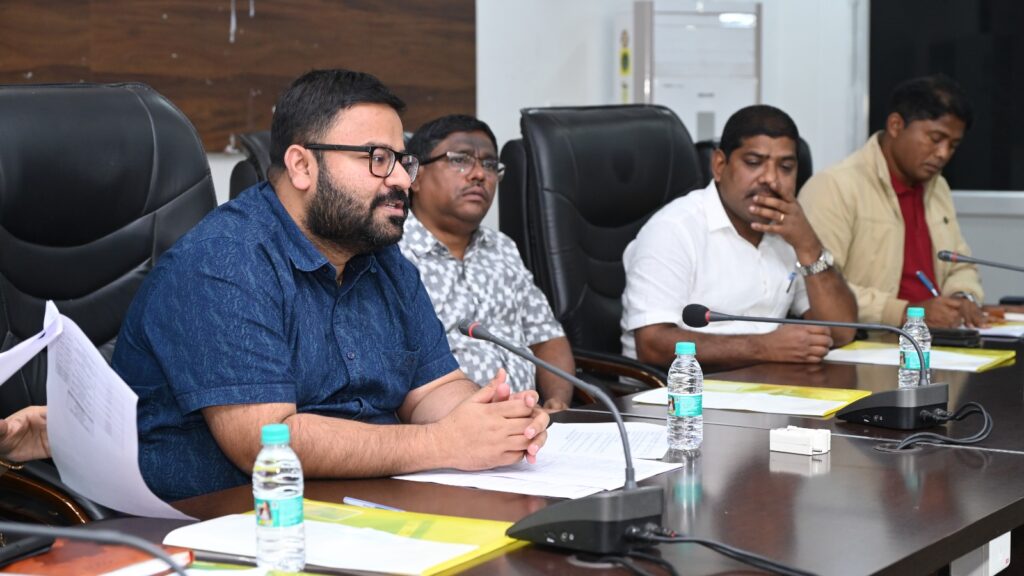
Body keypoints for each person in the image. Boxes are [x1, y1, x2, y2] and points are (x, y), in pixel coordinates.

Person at [111, 69, 549, 501]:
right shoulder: (225, 261)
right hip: (228, 515)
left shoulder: (383, 258)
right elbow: (266, 441)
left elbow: (433, 389)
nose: (401, 180)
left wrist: (494, 421)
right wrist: (443, 443)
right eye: (378, 158)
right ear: (302, 166)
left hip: (364, 503)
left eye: (403, 161)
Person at [620, 105, 857, 371]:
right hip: (678, 388)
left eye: (786, 167)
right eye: (754, 163)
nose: (771, 179)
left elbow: (841, 332)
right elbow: (652, 344)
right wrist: (764, 347)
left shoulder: (789, 232)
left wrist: (808, 245)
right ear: (719, 165)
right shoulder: (674, 229)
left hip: (765, 383)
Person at [400, 115, 574, 411]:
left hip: (529, 423)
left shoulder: (502, 248)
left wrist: (557, 402)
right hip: (446, 426)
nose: (479, 174)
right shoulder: (392, 253)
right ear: (414, 176)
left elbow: (547, 338)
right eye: (460, 160)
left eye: (491, 164)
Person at [800, 74, 985, 329]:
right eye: (935, 139)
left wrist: (962, 297)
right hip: (875, 340)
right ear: (896, 125)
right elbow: (816, 287)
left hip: (937, 336)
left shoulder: (938, 187)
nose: (943, 154)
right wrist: (903, 312)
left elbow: (960, 265)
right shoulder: (834, 186)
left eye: (953, 145)